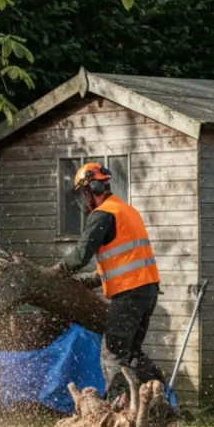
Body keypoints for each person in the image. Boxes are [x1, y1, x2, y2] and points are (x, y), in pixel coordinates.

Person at [52, 162, 164, 406]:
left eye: (84, 194)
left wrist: (59, 270)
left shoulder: (103, 214)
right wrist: (88, 282)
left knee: (112, 353)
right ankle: (157, 393)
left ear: (92, 187)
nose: (84, 201)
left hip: (129, 294)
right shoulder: (127, 211)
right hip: (148, 291)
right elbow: (121, 262)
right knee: (132, 353)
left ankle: (117, 407)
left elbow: (81, 254)